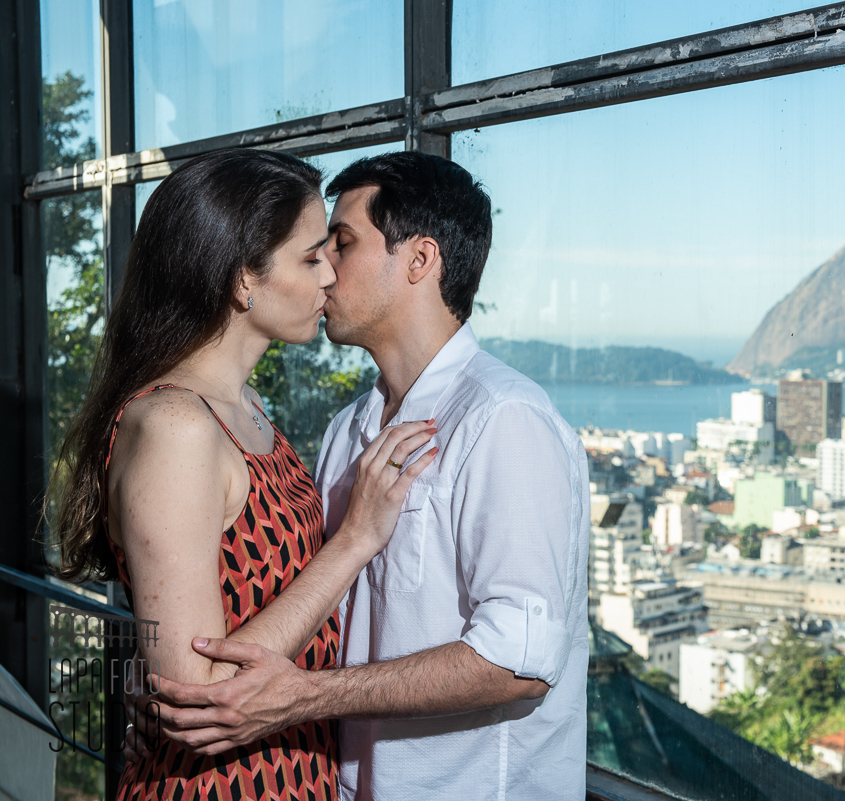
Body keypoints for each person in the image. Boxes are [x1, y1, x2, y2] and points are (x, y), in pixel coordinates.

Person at [126, 151, 592, 799]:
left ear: (420, 260)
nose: (325, 268)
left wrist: (302, 697)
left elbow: (520, 659)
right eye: (315, 250)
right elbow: (281, 588)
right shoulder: (350, 428)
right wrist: (158, 675)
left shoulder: (502, 418)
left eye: (340, 243)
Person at [53, 148, 436, 800]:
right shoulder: (178, 423)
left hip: (287, 770)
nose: (331, 277)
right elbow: (200, 689)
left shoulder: (245, 406)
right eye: (311, 256)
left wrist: (145, 662)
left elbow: (210, 602)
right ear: (242, 280)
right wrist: (354, 541)